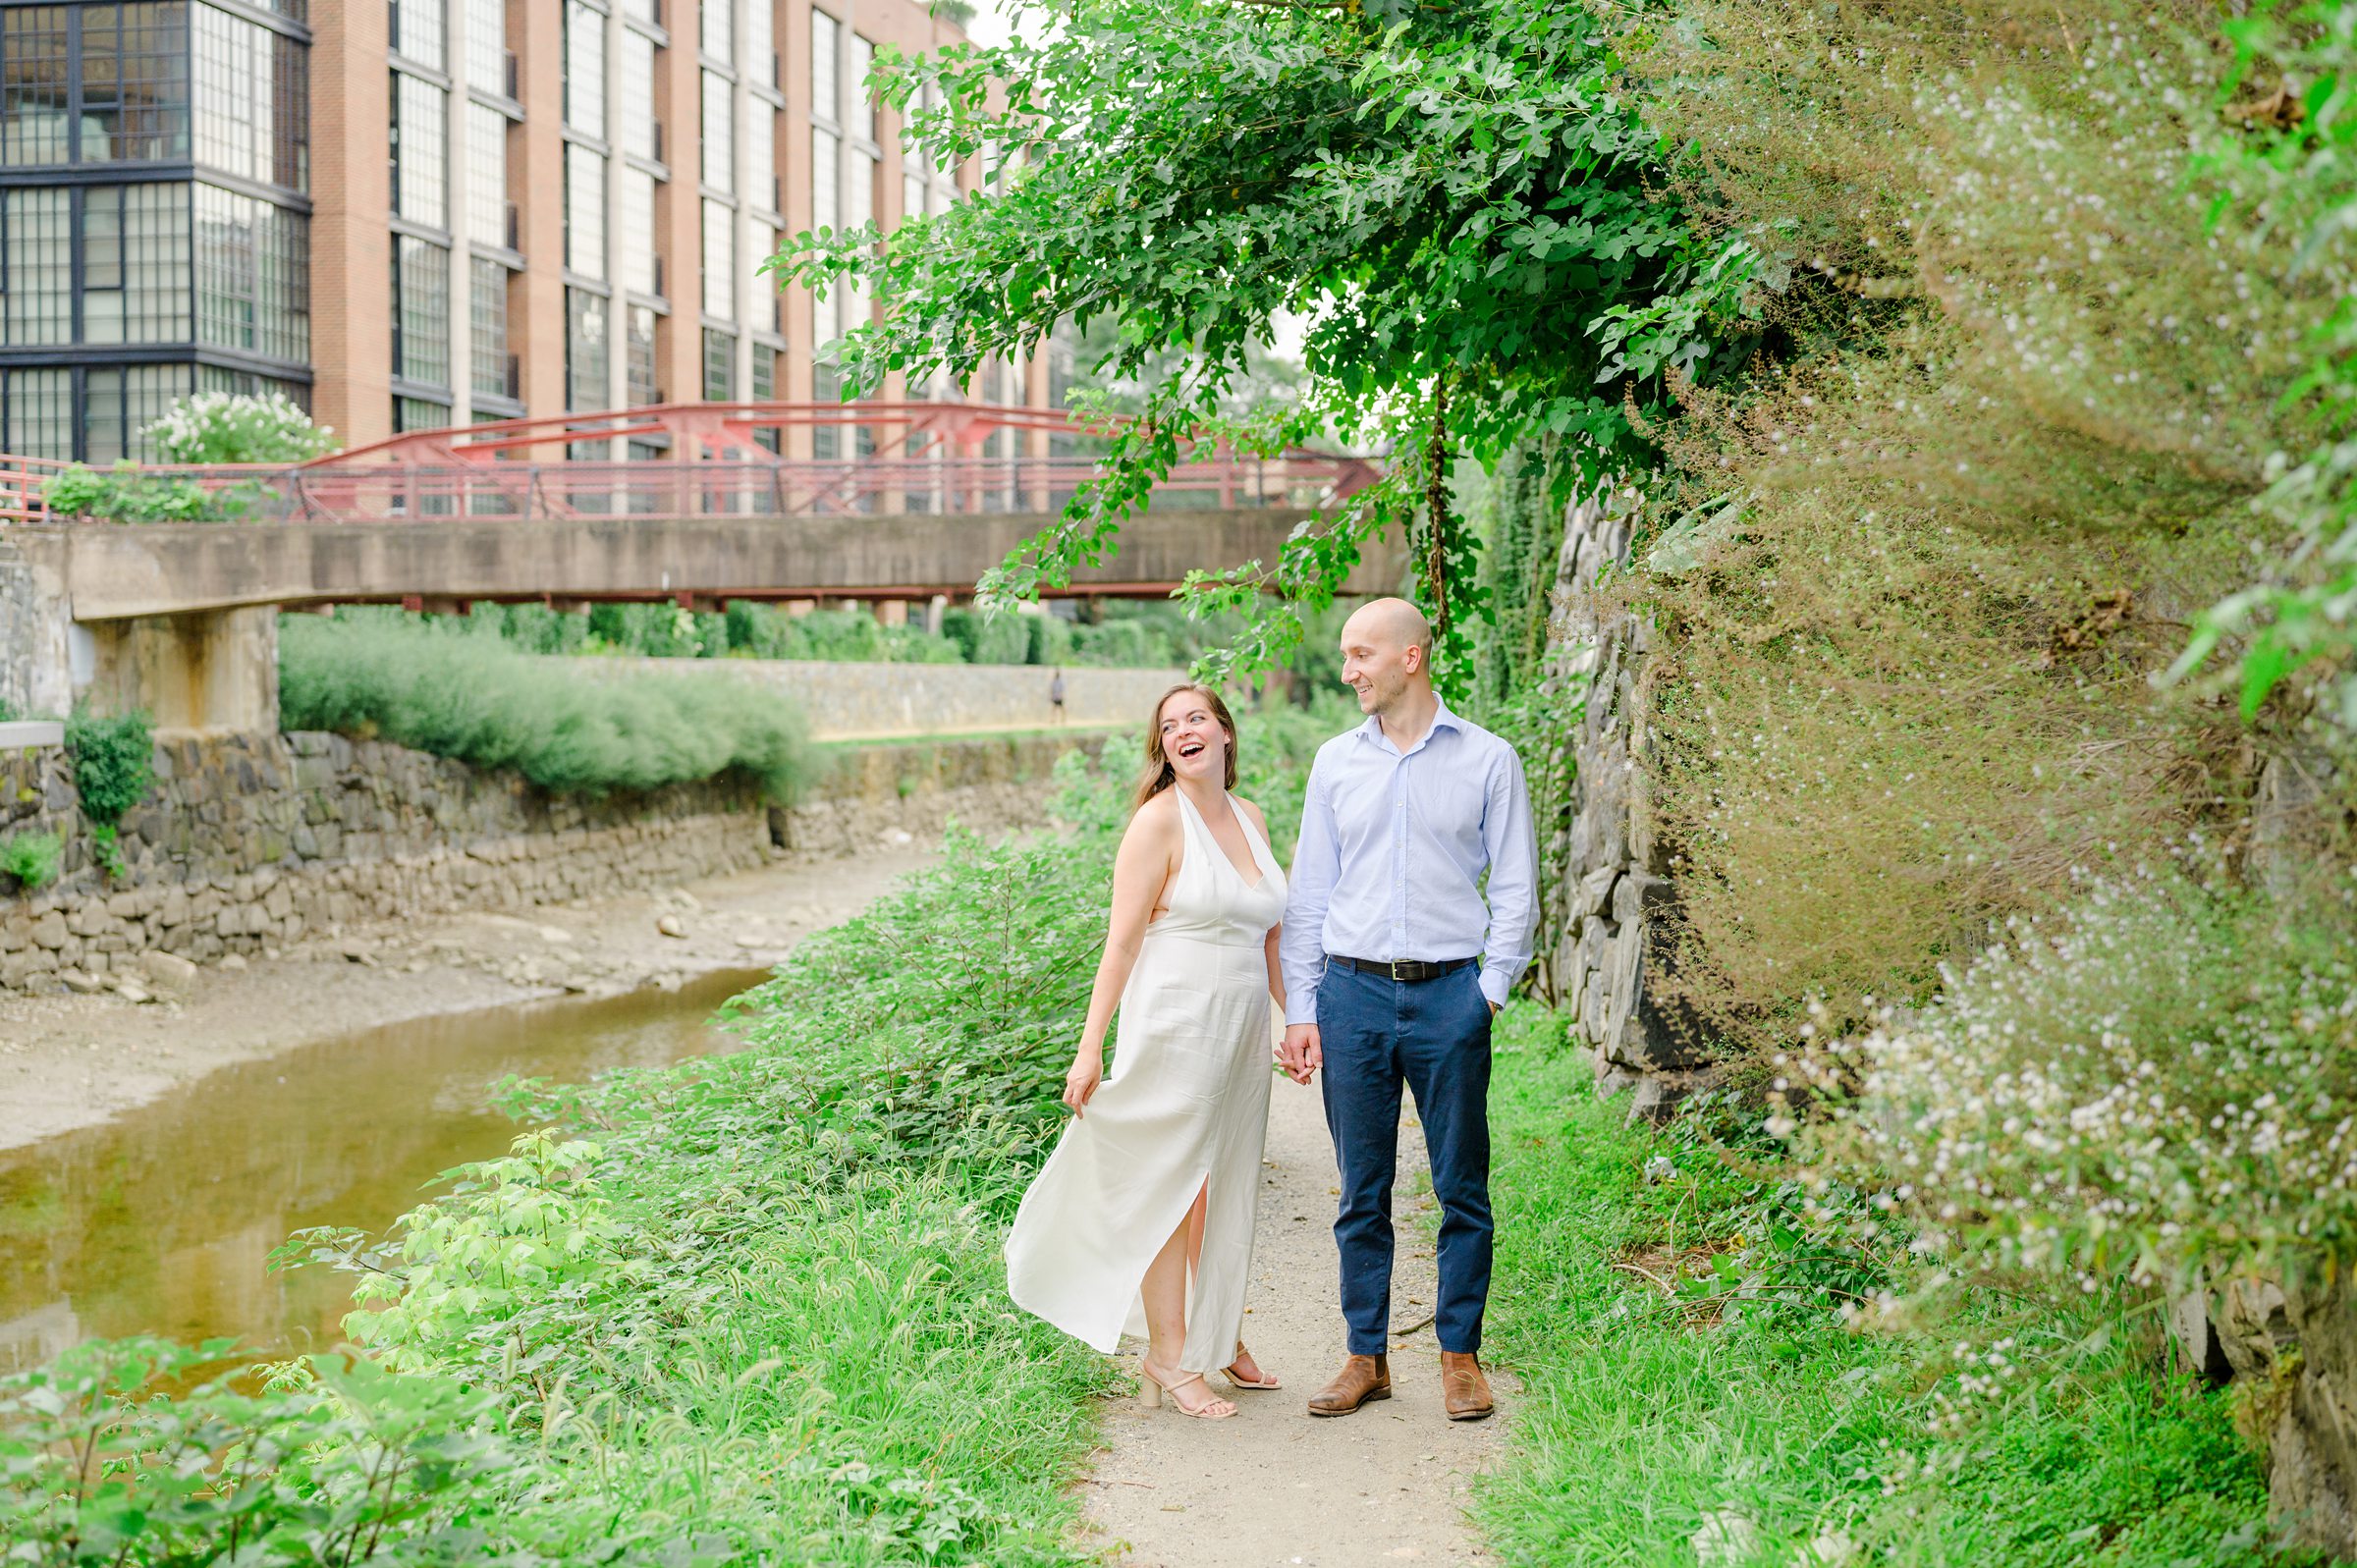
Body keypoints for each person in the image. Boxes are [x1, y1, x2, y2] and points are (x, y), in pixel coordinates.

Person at [1278, 598, 1538, 1423]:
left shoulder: (1489, 759)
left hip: (1449, 995)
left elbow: (1516, 886)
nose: (1348, 669)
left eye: (1361, 654)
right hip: (1350, 993)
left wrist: (1488, 991)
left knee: (1462, 1184)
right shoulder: (1334, 762)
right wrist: (1302, 1006)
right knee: (1362, 1187)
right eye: (1347, 655)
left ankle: (1460, 1356)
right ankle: (1367, 1355)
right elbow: (1310, 888)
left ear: (1411, 657)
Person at [1006, 683, 1288, 1419]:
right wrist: (1088, 1046)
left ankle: (1216, 1336)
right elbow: (1122, 942)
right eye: (1169, 726)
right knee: (1170, 1185)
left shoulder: (1252, 818)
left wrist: (1295, 1017)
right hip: (1176, 1023)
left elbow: (1270, 934)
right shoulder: (1157, 824)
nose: (1183, 731)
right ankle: (1168, 1354)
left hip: (1242, 1033)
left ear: (1225, 733)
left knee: (1219, 1183)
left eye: (1196, 717)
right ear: (1163, 748)